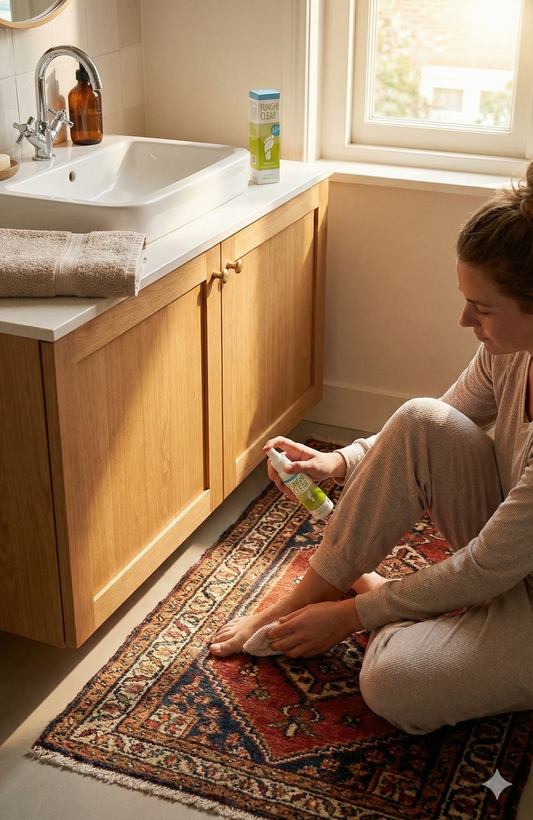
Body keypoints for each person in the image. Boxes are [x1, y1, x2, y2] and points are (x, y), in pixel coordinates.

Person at [210, 161, 533, 735]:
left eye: (482, 309)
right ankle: (323, 584)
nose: (464, 320)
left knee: (390, 683)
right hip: (509, 562)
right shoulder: (509, 350)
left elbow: (485, 566)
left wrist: (352, 617)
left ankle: (388, 600)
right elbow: (438, 423)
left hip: (518, 592)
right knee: (421, 417)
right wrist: (340, 462)